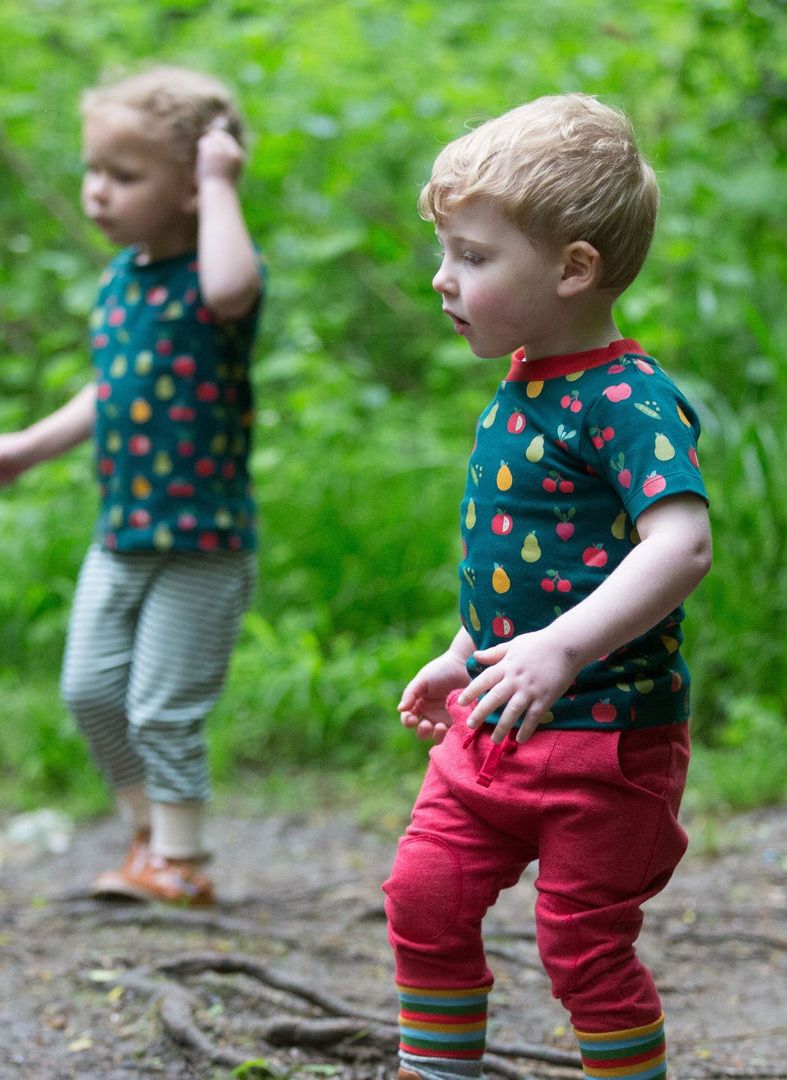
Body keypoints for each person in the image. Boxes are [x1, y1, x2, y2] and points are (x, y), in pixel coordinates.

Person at [383, 94, 712, 1080]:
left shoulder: (629, 397)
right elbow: (530, 562)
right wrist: (463, 652)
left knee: (582, 948)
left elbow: (680, 544)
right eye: (446, 251)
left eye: (474, 258)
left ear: (574, 269)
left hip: (607, 740)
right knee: (423, 894)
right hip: (499, 713)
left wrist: (564, 647)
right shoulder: (523, 384)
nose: (444, 279)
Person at [0, 65, 264, 905]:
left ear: (189, 188)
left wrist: (220, 185)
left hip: (201, 542)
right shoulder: (121, 280)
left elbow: (229, 285)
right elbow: (114, 387)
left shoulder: (218, 278)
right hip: (123, 531)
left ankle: (186, 864)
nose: (98, 193)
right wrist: (30, 445)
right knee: (91, 690)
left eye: (125, 176)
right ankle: (148, 834)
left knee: (163, 705)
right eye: (93, 171)